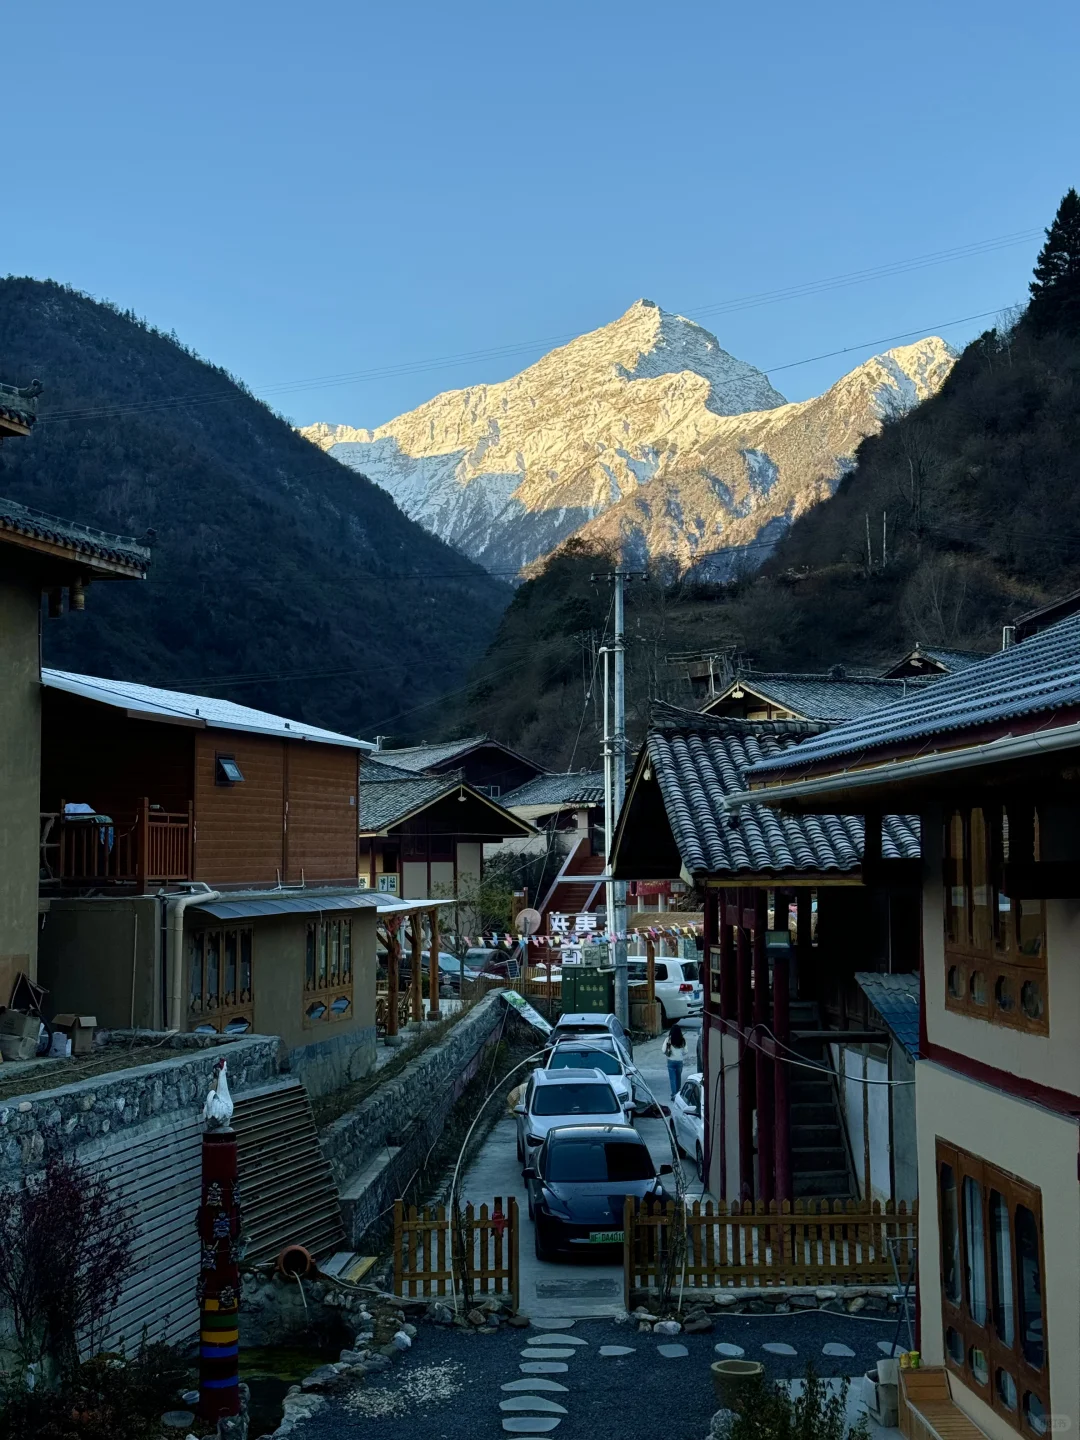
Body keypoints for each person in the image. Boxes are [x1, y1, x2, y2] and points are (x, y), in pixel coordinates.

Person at [663, 1022, 688, 1100]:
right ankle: (678, 1094)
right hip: (679, 1061)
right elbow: (686, 1051)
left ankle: (674, 1095)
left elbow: (663, 1050)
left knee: (672, 1079)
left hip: (671, 1061)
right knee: (678, 1078)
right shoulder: (682, 1040)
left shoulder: (668, 1039)